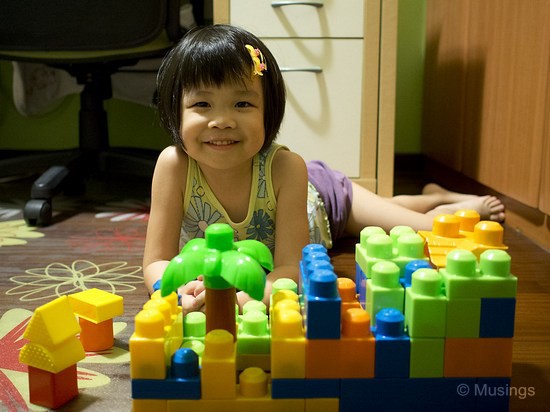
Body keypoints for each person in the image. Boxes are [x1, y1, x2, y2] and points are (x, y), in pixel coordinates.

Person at [142, 24, 505, 314]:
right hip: (311, 206)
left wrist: (245, 300)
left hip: (325, 201)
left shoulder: (287, 167)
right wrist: (173, 292)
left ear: (269, 110)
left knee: (417, 229)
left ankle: (443, 205)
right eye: (203, 104)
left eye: (241, 103)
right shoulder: (173, 166)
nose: (222, 121)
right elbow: (157, 261)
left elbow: (289, 269)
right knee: (386, 208)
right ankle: (428, 195)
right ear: (176, 110)